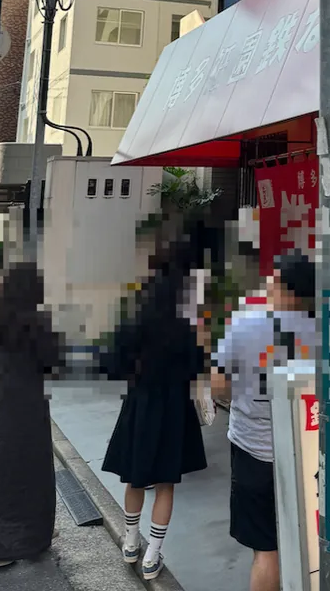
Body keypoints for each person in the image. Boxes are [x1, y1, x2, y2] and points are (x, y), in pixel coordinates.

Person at [212, 249, 318, 591]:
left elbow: (218, 386)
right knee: (306, 539)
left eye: (274, 278)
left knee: (265, 548)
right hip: (305, 452)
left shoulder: (245, 324)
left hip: (253, 451)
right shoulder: (322, 329)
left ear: (286, 288)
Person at [101, 243, 208, 582]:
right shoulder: (185, 319)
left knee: (134, 476)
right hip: (174, 407)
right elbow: (198, 366)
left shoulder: (134, 312)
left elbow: (112, 363)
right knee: (165, 482)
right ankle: (152, 555)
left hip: (140, 402)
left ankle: (131, 542)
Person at [0, 261, 64, 575]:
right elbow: (55, 366)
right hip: (28, 409)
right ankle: (31, 539)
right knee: (30, 476)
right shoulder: (41, 324)